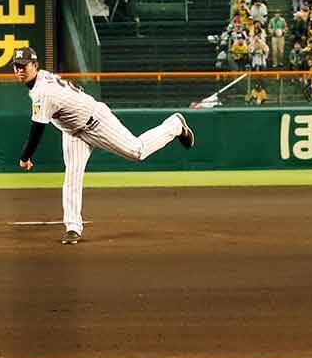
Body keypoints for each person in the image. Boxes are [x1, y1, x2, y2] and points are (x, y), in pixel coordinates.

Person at [13, 47, 195, 244]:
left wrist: (25, 157)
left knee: (137, 151)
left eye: (24, 66)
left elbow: (37, 129)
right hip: (73, 132)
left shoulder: (43, 92)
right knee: (72, 176)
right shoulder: (42, 79)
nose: (20, 70)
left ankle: (174, 125)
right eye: (16, 66)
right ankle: (73, 227)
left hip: (96, 121)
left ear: (35, 65)